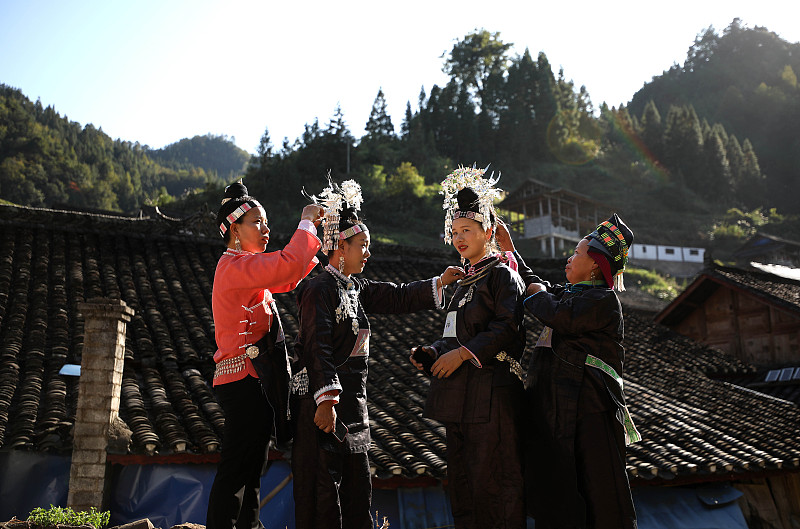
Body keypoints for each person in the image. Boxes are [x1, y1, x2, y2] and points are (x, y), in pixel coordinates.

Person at [290, 179, 463, 529]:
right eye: (363, 246)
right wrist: (326, 400)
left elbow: (397, 296)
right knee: (324, 492)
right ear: (341, 245)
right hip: (324, 404)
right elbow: (315, 346)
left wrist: (441, 282)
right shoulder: (317, 289)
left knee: (358, 491)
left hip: (353, 404)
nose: (368, 253)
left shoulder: (356, 288)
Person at [410, 166, 527, 529]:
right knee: (462, 484)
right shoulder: (461, 283)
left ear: (488, 232)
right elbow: (451, 334)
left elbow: (508, 327)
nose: (459, 238)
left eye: (467, 231)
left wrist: (462, 353)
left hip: (492, 390)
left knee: (494, 482)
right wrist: (432, 351)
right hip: (459, 394)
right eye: (455, 232)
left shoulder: (502, 275)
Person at [206, 180, 323, 529]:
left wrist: (322, 243)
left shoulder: (244, 267)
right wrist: (306, 222)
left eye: (265, 221)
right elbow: (286, 267)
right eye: (256, 221)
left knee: (250, 467)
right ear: (234, 230)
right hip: (243, 380)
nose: (266, 228)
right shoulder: (235, 267)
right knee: (238, 466)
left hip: (251, 379)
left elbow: (288, 276)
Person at [521, 213, 640, 529]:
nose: (569, 258)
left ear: (595, 266)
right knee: (560, 496)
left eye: (576, 253)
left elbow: (555, 312)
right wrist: (510, 251)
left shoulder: (602, 300)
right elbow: (539, 287)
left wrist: (533, 291)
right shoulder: (569, 294)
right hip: (558, 411)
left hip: (589, 411)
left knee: (598, 493)